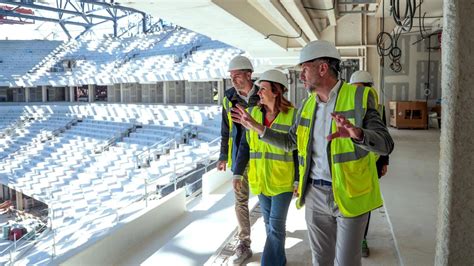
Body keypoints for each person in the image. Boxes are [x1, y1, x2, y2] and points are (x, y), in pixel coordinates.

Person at [231, 40, 394, 266]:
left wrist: (359, 134)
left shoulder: (360, 97)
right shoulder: (307, 106)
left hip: (351, 192)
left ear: (323, 68)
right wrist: (257, 127)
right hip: (316, 194)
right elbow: (290, 142)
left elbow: (386, 144)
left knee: (346, 262)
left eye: (304, 69)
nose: (301, 76)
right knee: (321, 261)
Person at [233, 69, 298, 266]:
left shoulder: (293, 116)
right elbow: (245, 146)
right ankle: (280, 260)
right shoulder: (252, 113)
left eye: (262, 89)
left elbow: (298, 151)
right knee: (269, 225)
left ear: (276, 91)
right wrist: (237, 173)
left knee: (276, 227)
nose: (258, 92)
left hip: (282, 181)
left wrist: (298, 179)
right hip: (260, 181)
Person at [217, 55, 259, 264]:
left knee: (268, 197)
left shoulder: (263, 94)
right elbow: (226, 129)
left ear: (249, 75)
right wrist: (223, 155)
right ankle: (244, 242)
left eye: (238, 76)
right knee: (241, 201)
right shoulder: (228, 97)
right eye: (231, 76)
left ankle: (275, 236)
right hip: (238, 158)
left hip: (261, 156)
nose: (233, 80)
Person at [350, 70, 390, 258]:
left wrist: (384, 161)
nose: (359, 93)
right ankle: (354, 237)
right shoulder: (348, 104)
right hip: (352, 161)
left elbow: (383, 135)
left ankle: (362, 238)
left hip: (371, 162)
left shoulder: (376, 108)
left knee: (364, 202)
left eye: (361, 88)